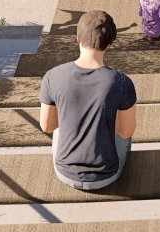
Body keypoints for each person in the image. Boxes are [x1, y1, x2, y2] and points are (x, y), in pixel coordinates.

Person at [39, 10, 138, 191]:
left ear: (78, 38)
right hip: (107, 175)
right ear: (110, 44)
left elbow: (47, 126)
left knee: (58, 123)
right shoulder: (122, 82)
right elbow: (126, 131)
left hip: (64, 173)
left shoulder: (52, 76)